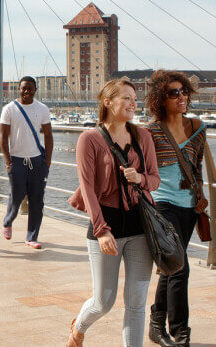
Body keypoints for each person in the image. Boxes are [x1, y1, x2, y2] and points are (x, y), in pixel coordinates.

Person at [68, 79, 161, 347]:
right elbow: (87, 189)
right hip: (105, 224)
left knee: (136, 302)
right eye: (126, 98)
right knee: (103, 301)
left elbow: (154, 180)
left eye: (134, 98)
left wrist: (140, 178)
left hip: (140, 225)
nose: (133, 103)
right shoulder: (90, 139)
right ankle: (80, 327)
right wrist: (101, 230)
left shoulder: (143, 136)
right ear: (108, 102)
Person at [144, 70, 206, 347]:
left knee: (171, 267)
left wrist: (201, 197)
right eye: (174, 92)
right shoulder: (150, 131)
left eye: (184, 91)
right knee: (180, 268)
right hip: (163, 204)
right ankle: (181, 334)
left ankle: (156, 325)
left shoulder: (197, 128)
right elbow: (143, 169)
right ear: (160, 98)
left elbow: (198, 166)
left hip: (190, 207)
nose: (181, 96)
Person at [0, 76, 54, 249]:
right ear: (19, 89)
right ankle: (8, 221)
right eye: (23, 88)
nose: (26, 91)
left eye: (30, 88)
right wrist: (8, 161)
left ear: (35, 90)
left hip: (37, 161)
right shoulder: (9, 109)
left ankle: (32, 237)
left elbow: (48, 135)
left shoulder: (42, 109)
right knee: (16, 197)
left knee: (37, 201)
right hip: (16, 160)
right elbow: (3, 137)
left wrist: (47, 162)